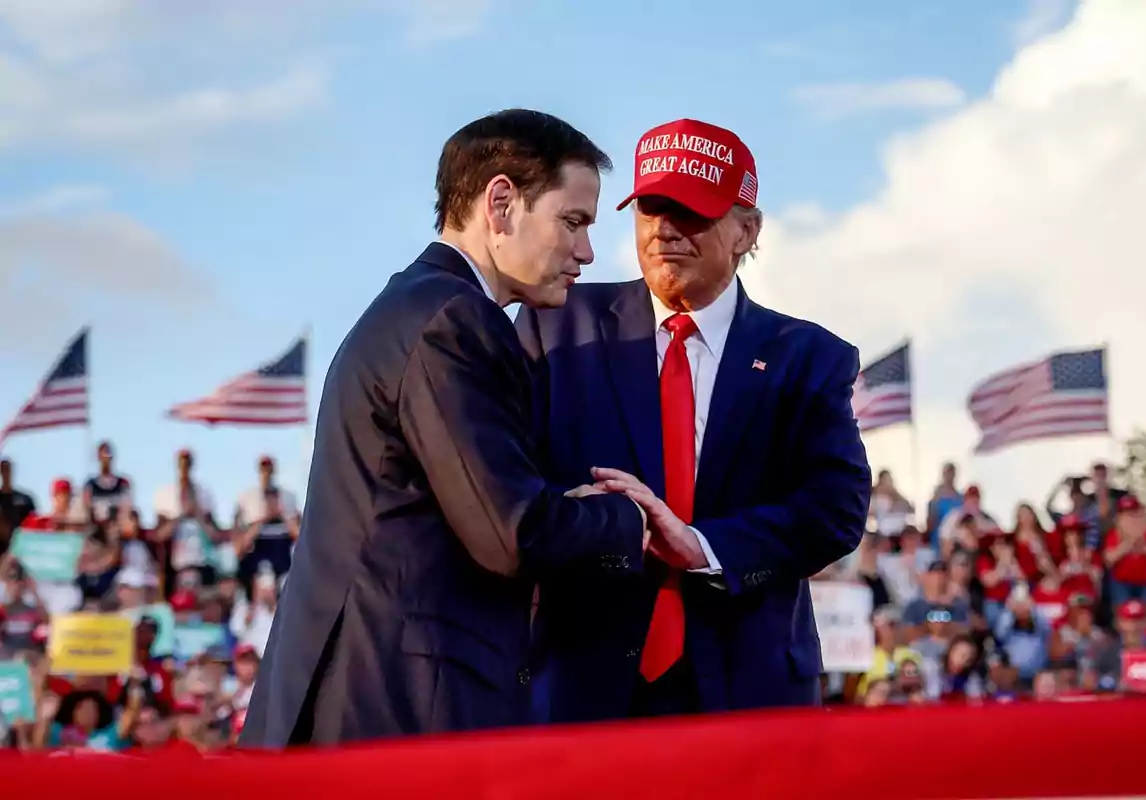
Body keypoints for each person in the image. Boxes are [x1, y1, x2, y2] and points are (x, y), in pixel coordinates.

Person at [239, 109, 648, 748]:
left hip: (363, 698)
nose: (587, 252)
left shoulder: (418, 306)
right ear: (502, 203)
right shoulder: (452, 320)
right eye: (573, 221)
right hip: (394, 713)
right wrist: (628, 520)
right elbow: (508, 535)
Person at [514, 118, 871, 722]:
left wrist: (701, 547)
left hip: (751, 694)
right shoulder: (555, 327)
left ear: (746, 230)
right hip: (583, 691)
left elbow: (834, 512)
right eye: (651, 208)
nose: (665, 230)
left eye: (691, 210)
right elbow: (507, 485)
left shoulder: (809, 358)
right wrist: (591, 518)